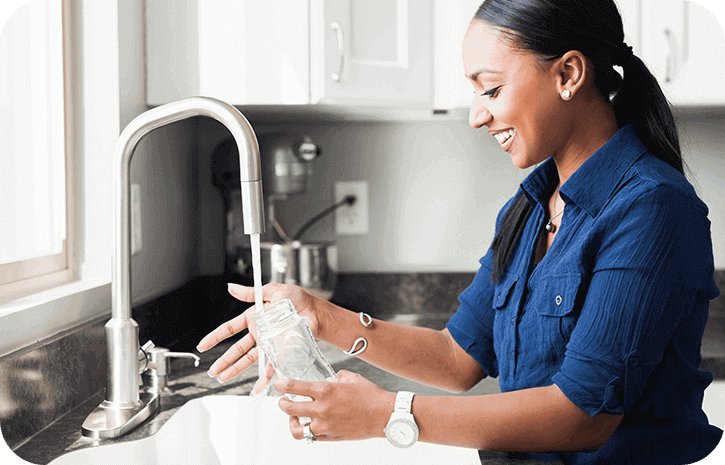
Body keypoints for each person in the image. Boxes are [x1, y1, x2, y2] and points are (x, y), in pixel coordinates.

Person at [196, 0, 723, 463]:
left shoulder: (652, 208)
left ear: (568, 74)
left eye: (490, 88)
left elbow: (582, 416)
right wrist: (322, 317)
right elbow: (457, 357)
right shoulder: (531, 205)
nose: (477, 115)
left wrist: (389, 413)